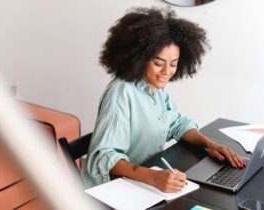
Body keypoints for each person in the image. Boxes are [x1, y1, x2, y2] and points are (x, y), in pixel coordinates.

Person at [82, 7, 245, 192]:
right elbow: (104, 158)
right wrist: (154, 177)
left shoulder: (155, 87)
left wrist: (210, 144)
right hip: (114, 190)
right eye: (158, 63)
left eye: (173, 64)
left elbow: (176, 123)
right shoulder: (121, 92)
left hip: (143, 180)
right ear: (140, 58)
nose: (167, 72)